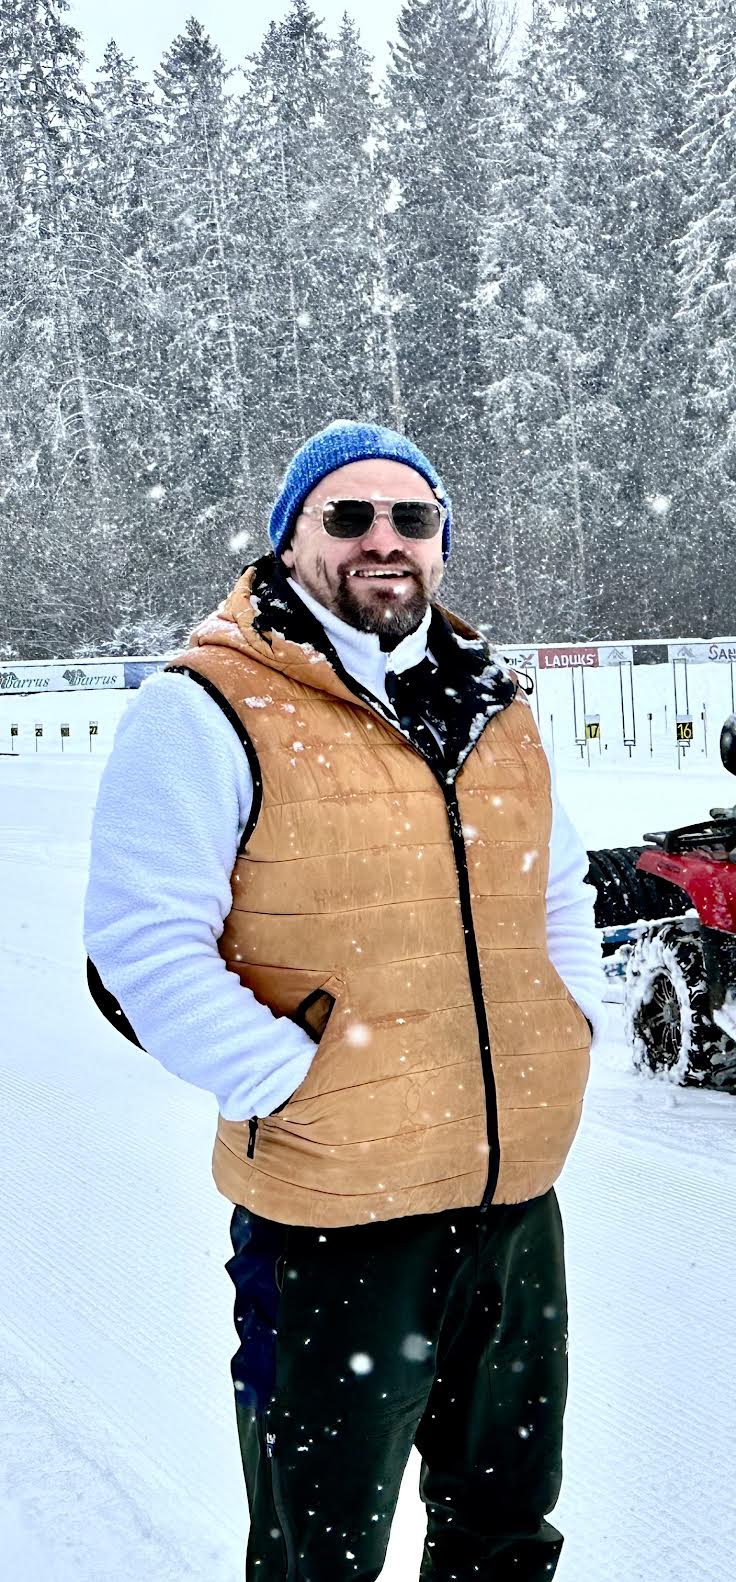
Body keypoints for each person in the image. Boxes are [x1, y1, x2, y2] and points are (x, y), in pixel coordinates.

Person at [83, 420, 605, 1581]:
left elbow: (555, 886)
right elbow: (139, 942)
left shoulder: (493, 704)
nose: (384, 539)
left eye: (412, 517)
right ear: (291, 540)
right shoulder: (207, 704)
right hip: (332, 1223)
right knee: (319, 1553)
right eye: (349, 515)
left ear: (440, 543)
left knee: (506, 1531)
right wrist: (295, 1083)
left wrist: (570, 1025)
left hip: (514, 1206)